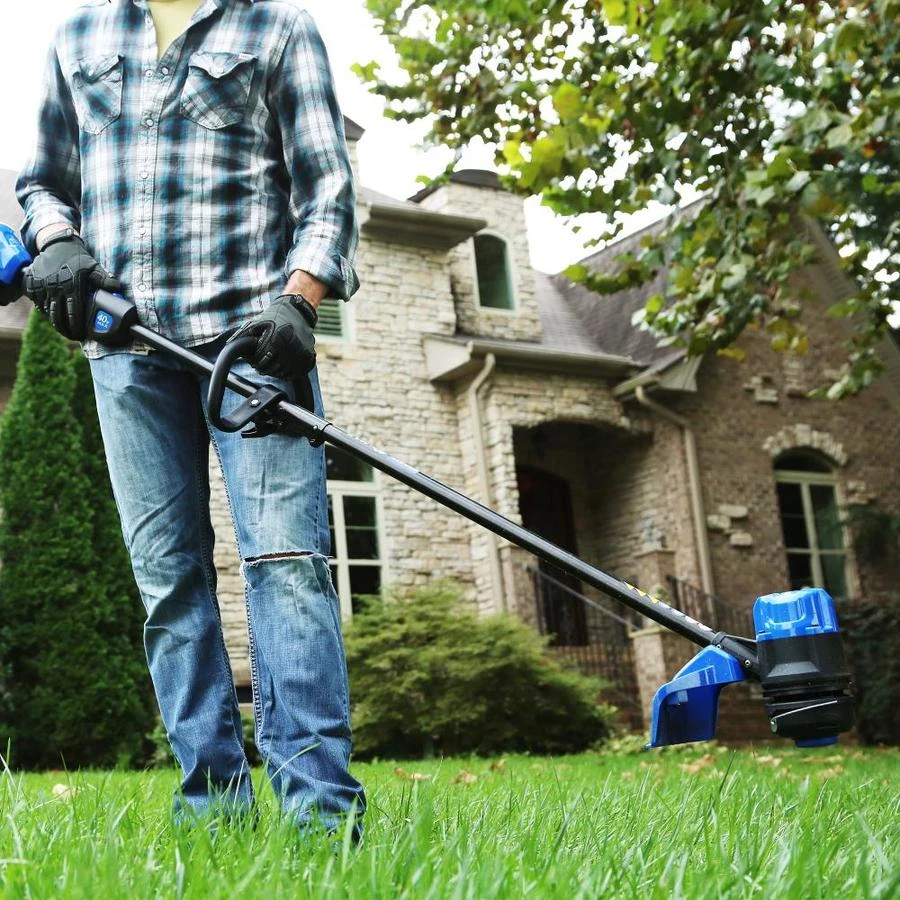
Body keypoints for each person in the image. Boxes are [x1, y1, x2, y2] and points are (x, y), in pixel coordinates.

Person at [16, 0, 365, 835]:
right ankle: (214, 812)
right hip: (126, 352)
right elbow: (41, 181)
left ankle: (320, 817)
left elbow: (327, 189)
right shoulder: (78, 36)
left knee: (287, 568)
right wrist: (55, 237)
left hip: (254, 350)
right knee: (168, 581)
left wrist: (299, 300)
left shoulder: (278, 28)